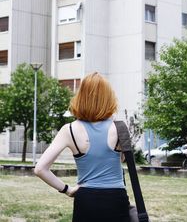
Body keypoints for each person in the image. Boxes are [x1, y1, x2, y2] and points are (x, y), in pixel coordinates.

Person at [34, 72, 130, 222]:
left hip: (86, 199)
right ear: (109, 98)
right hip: (116, 198)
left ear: (81, 96)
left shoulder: (69, 130)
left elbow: (40, 169)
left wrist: (67, 190)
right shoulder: (119, 128)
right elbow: (123, 159)